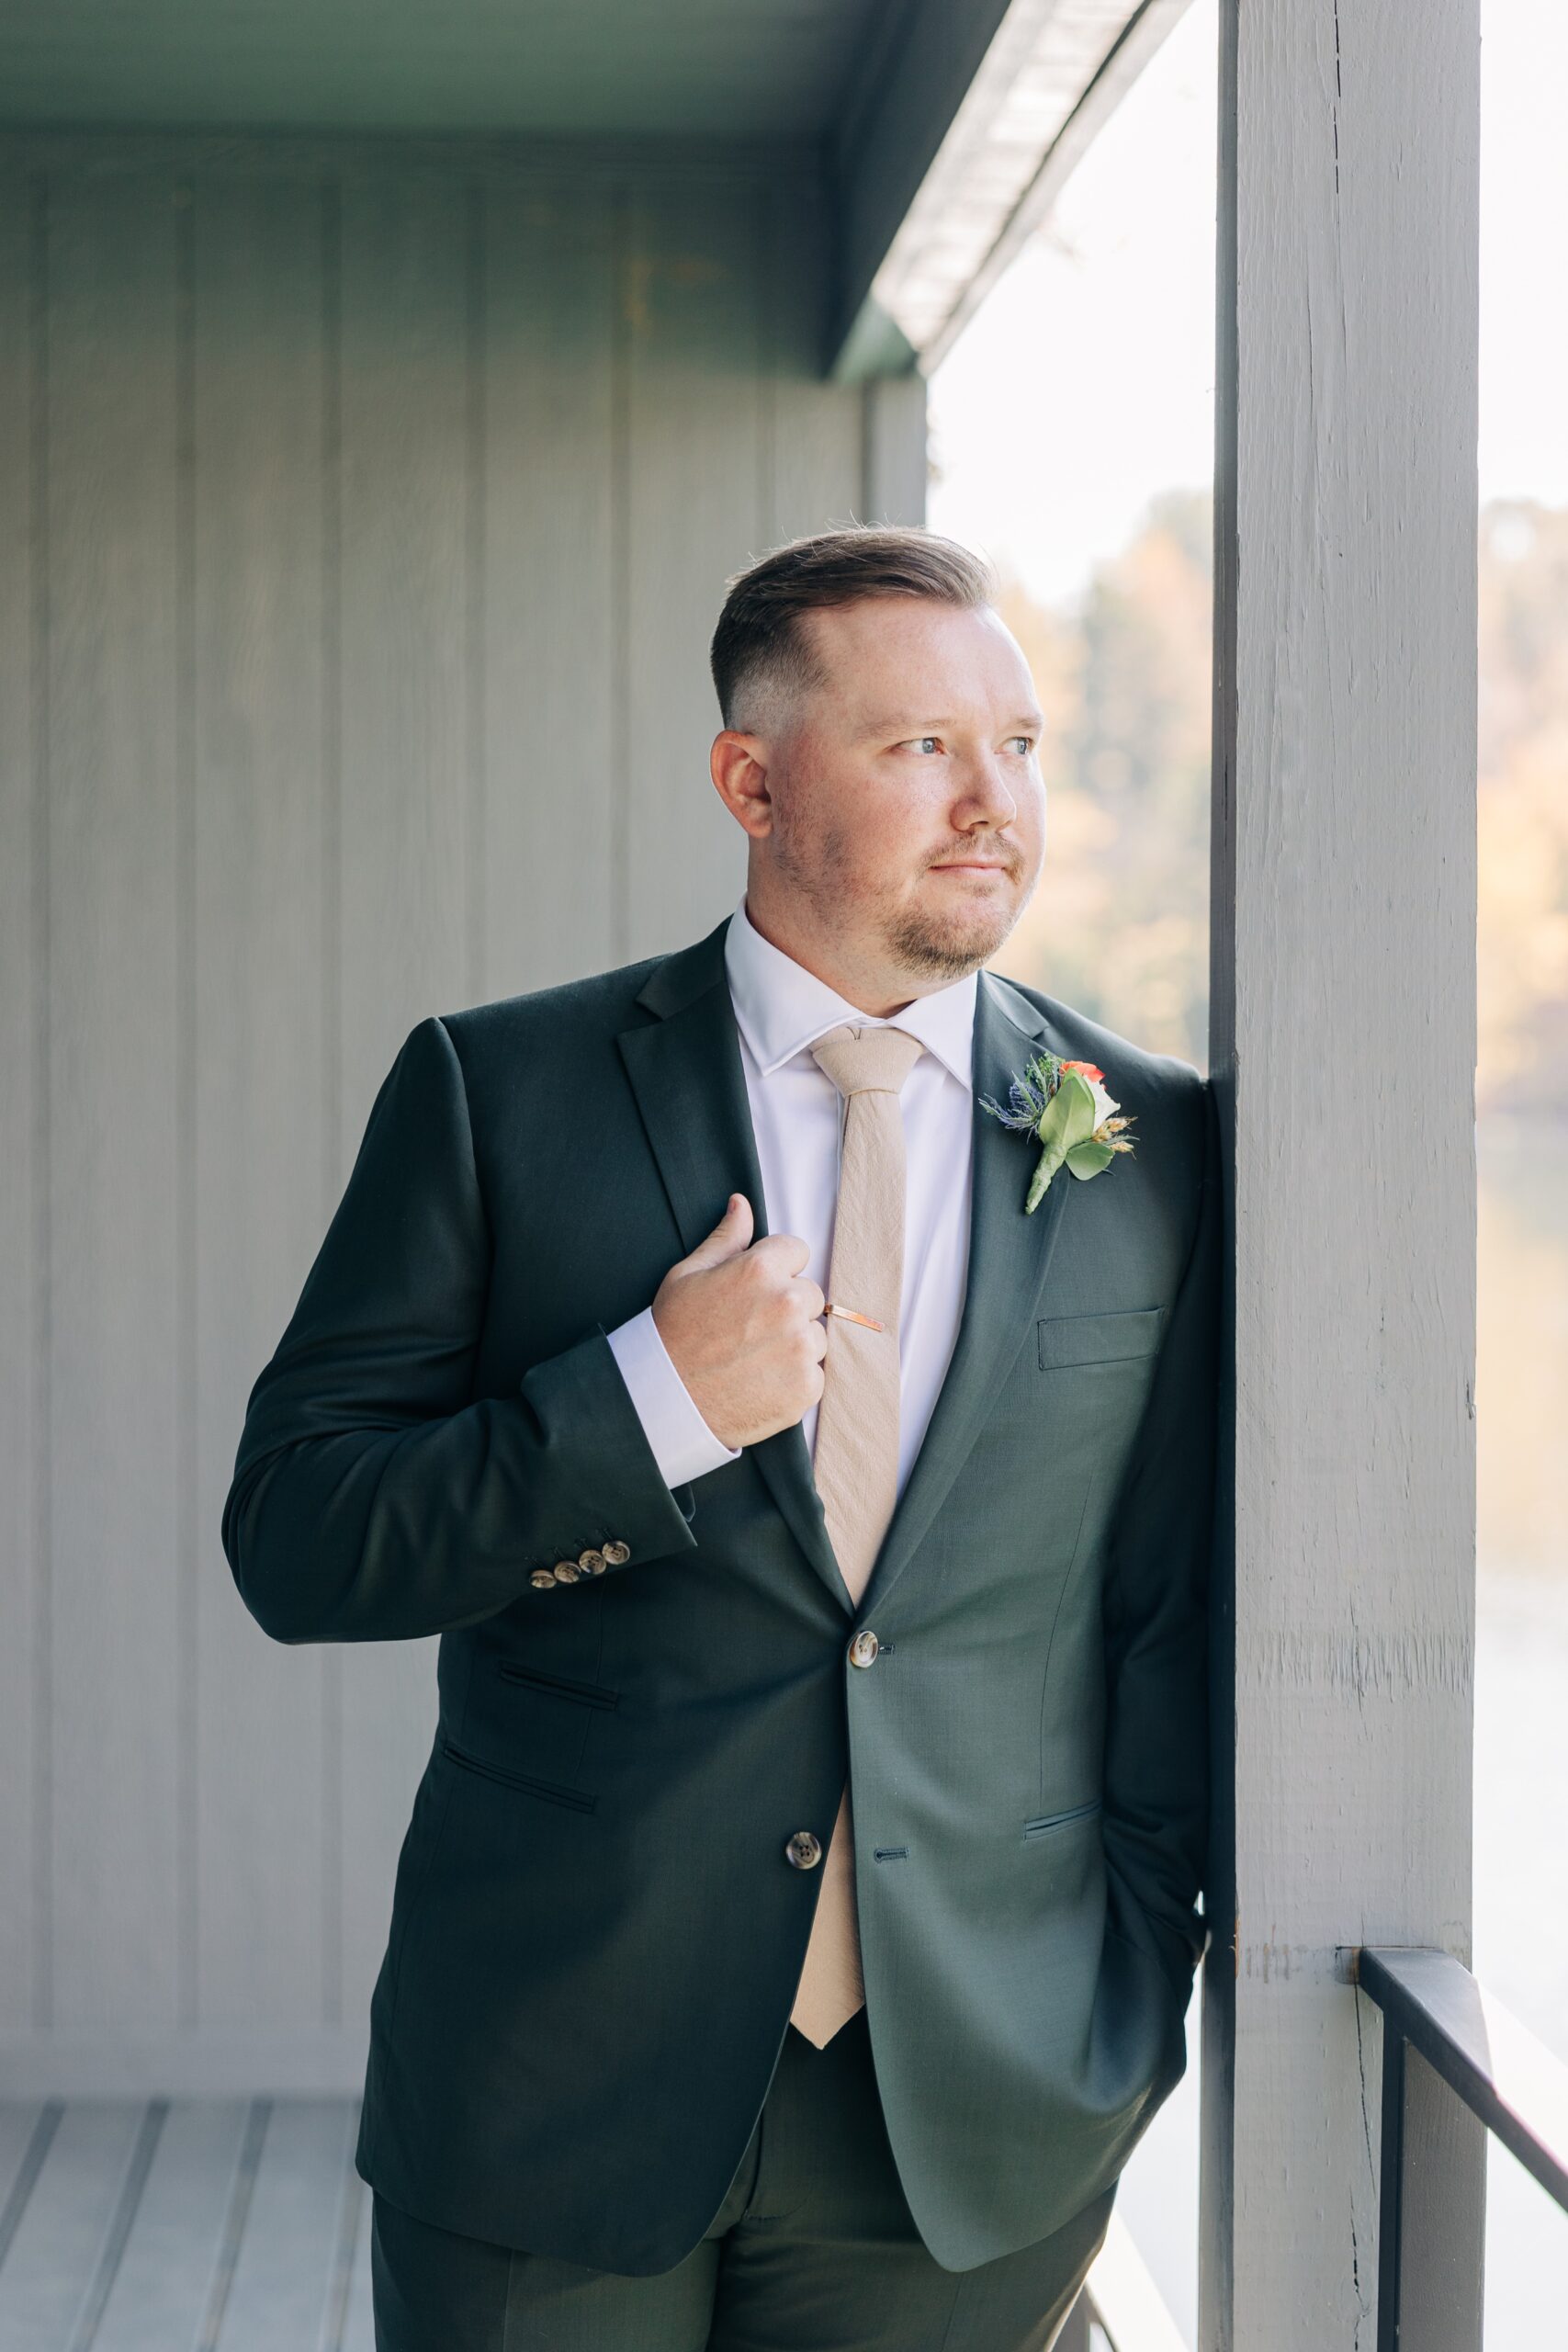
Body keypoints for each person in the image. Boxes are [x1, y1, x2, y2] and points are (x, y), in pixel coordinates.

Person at [222, 525, 1220, 2352]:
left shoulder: (1152, 1149)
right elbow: (297, 1533)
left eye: (1016, 743)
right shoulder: (495, 1092)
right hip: (552, 2088)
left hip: (967, 2122)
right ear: (749, 781)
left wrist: (1125, 1983)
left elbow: (1164, 1618)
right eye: (920, 745)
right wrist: (646, 1402)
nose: (991, 797)